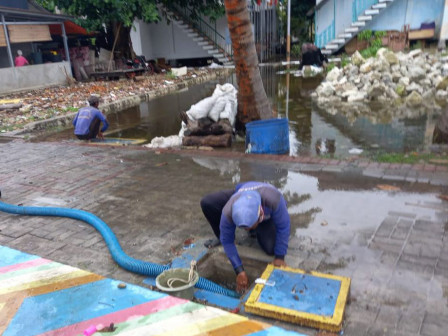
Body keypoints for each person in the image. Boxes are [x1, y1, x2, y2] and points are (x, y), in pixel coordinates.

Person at [200, 181, 290, 293]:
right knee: (208, 202)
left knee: (271, 248)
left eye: (249, 227)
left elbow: (284, 226)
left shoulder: (274, 200)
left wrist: (280, 257)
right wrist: (239, 271)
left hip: (266, 204)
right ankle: (222, 234)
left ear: (259, 215)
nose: (245, 230)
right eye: (243, 227)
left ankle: (259, 230)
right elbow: (227, 242)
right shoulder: (228, 210)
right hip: (241, 192)